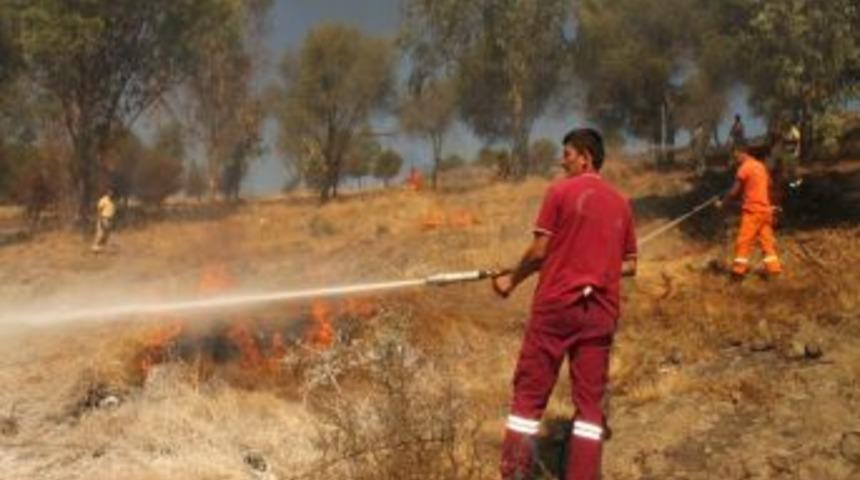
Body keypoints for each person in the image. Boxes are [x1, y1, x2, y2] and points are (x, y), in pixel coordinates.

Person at [492, 128, 637, 480]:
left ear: (585, 157)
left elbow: (539, 252)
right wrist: (597, 266)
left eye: (567, 154)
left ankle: (515, 472)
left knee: (528, 397)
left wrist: (510, 279)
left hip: (556, 309)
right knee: (589, 407)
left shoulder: (560, 192)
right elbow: (631, 265)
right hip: (600, 313)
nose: (562, 162)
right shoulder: (621, 203)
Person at [716, 147, 782, 278]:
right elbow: (768, 185)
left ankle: (738, 272)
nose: (735, 159)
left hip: (753, 211)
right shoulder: (761, 166)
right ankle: (774, 269)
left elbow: (734, 192)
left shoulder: (745, 168)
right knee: (766, 241)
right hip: (765, 210)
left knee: (743, 241)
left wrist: (723, 203)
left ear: (742, 153)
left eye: (736, 156)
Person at [92, 187, 116, 253]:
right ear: (107, 192)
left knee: (107, 234)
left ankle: (102, 247)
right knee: (101, 233)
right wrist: (100, 219)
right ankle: (95, 246)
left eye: (112, 192)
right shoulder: (103, 200)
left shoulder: (112, 201)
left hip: (110, 219)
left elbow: (112, 211)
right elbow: (99, 210)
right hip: (104, 218)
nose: (111, 193)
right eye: (110, 192)